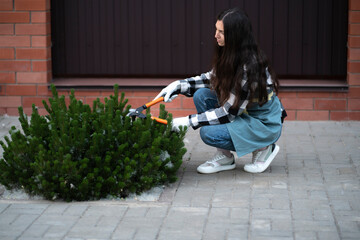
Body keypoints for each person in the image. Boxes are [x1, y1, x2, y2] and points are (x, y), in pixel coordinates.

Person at [154, 8, 285, 174]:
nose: (216, 35)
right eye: (216, 30)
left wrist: (188, 121)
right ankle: (225, 157)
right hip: (243, 113)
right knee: (202, 95)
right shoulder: (230, 53)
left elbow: (228, 113)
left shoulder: (250, 66)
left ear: (235, 36)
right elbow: (211, 79)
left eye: (221, 32)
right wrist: (179, 85)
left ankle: (264, 147)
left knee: (208, 133)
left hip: (262, 123)